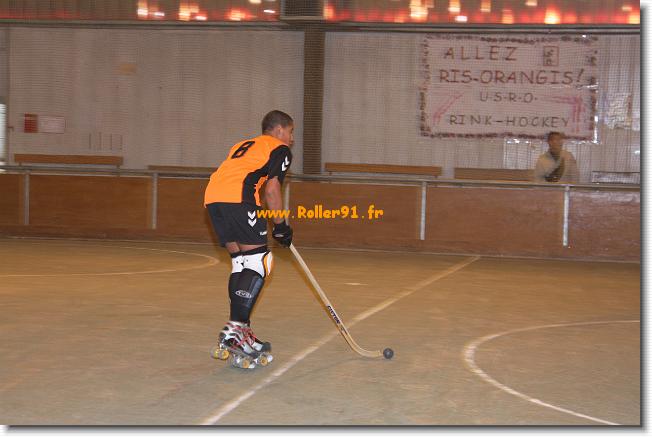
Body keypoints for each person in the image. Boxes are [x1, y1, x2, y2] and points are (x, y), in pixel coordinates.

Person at [204, 110, 294, 368]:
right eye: (291, 132)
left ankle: (241, 331)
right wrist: (281, 226)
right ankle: (235, 327)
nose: (291, 139)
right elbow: (272, 189)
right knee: (260, 262)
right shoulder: (279, 148)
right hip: (239, 199)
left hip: (213, 199)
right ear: (279, 130)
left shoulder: (243, 144)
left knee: (241, 263)